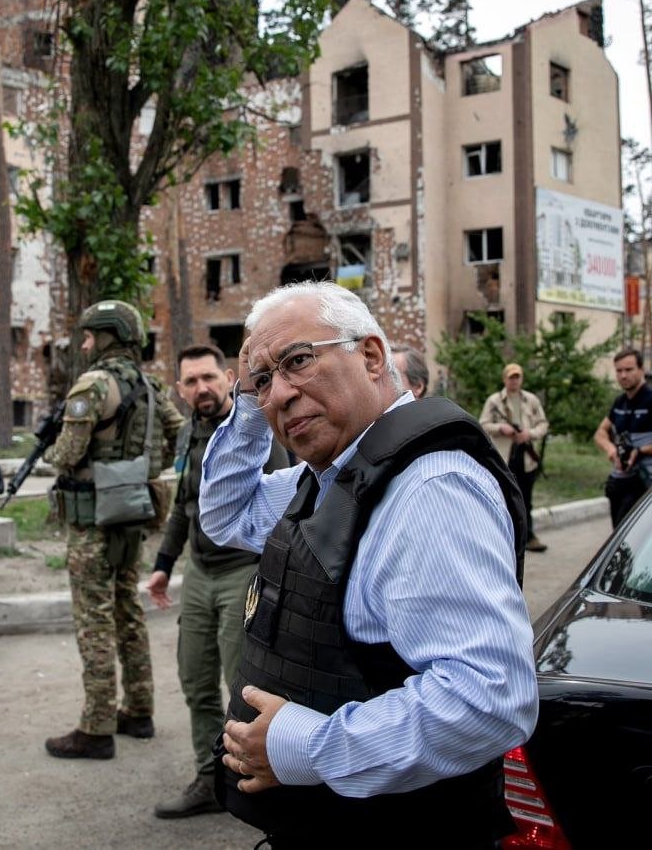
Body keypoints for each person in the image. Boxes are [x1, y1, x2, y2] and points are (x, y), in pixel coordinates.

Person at [198, 282, 536, 848]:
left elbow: (490, 698)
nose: (279, 395)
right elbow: (227, 513)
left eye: (298, 361)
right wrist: (249, 400)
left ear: (372, 356)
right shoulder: (332, 476)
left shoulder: (430, 490)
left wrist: (309, 748)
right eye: (264, 381)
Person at [146, 344, 288, 818]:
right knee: (195, 679)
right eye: (190, 381)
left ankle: (253, 787)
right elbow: (184, 508)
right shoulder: (190, 433)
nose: (201, 388)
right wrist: (164, 564)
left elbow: (284, 508)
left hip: (243, 570)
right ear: (179, 389)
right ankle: (209, 781)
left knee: (241, 685)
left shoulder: (256, 431)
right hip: (199, 573)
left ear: (229, 378)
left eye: (208, 377)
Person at [43, 300, 184, 760]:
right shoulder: (149, 386)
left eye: (89, 336)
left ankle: (97, 726)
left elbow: (68, 453)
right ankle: (139, 711)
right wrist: (144, 468)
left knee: (94, 620)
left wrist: (50, 455)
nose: (85, 345)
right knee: (127, 609)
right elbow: (178, 432)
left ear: (107, 336)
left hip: (92, 521)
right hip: (131, 513)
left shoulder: (94, 384)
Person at [480, 362, 550, 552]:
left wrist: (530, 434)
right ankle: (505, 538)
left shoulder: (531, 400)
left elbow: (543, 424)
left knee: (526, 499)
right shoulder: (494, 401)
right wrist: (501, 428)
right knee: (504, 498)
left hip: (526, 456)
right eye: (511, 377)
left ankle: (528, 536)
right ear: (504, 379)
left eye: (517, 377)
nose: (514, 381)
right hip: (504, 457)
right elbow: (483, 424)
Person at [594, 347, 652, 526]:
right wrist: (611, 450)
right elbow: (600, 433)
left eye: (629, 370)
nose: (623, 375)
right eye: (619, 371)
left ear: (641, 369)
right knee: (618, 533)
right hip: (620, 481)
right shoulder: (620, 402)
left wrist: (640, 450)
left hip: (645, 483)